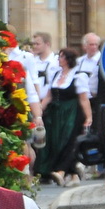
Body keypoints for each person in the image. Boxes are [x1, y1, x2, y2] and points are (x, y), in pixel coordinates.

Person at [36, 47, 86, 184]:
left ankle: (62, 171)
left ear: (68, 59)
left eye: (61, 57)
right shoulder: (56, 74)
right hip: (55, 113)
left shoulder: (78, 75)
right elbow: (48, 96)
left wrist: (89, 117)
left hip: (72, 112)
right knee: (54, 142)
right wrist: (38, 113)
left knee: (68, 141)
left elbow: (83, 99)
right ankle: (74, 172)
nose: (58, 59)